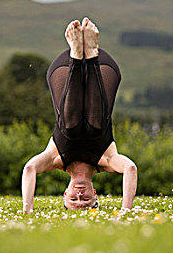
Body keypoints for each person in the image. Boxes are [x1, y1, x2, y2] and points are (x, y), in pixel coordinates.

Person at [21, 17, 137, 213]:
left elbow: (29, 169)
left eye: (74, 199)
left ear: (65, 194)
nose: (80, 196)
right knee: (95, 128)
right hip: (103, 68)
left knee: (70, 129)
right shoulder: (107, 160)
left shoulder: (55, 158)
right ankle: (90, 54)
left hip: (64, 70)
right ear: (95, 194)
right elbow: (130, 169)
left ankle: (77, 54)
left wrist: (27, 210)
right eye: (86, 200)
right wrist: (126, 211)